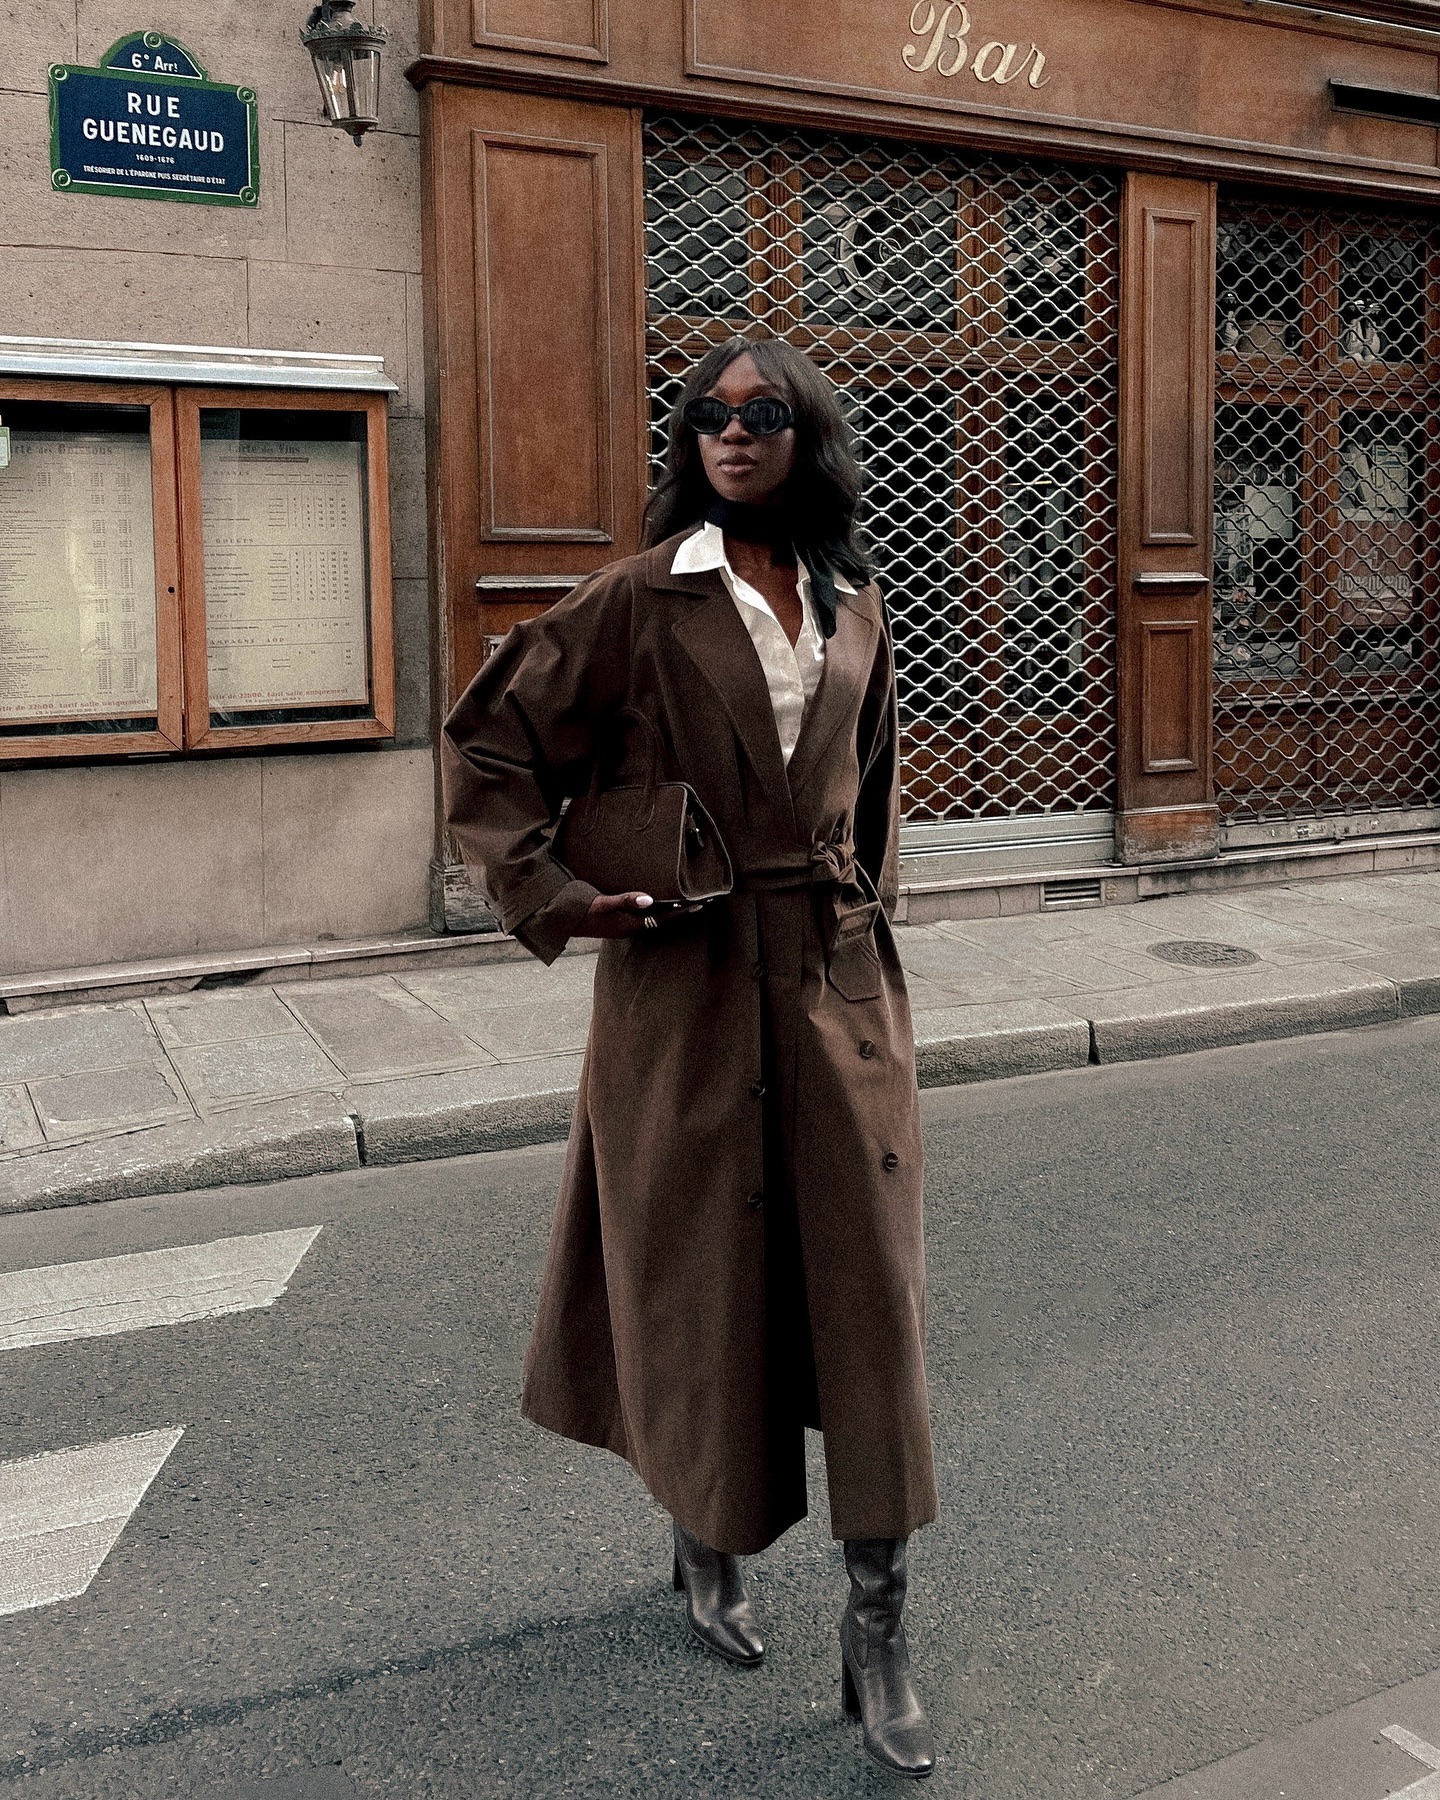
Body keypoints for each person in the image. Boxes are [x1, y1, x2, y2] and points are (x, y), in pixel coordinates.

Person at [441, 335, 939, 1779]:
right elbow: (489, 748)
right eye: (709, 417)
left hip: (837, 990)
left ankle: (878, 1629)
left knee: (869, 1306)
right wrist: (556, 896)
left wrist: (868, 921)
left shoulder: (854, 602)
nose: (733, 433)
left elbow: (873, 790)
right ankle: (702, 1534)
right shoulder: (638, 599)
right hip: (687, 986)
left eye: (763, 413)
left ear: (806, 436)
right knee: (704, 1285)